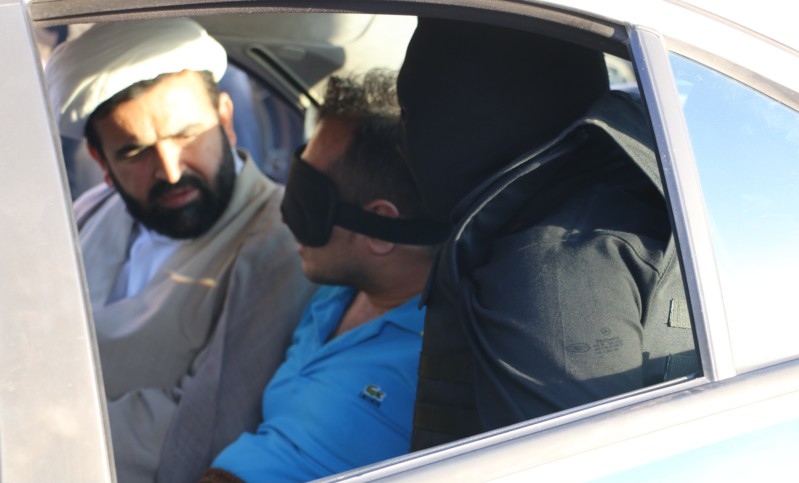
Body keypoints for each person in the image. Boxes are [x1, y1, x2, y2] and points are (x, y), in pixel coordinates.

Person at [396, 18, 698, 449]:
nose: (403, 138)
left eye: (410, 113)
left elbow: (584, 466)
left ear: (470, 114)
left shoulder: (551, 268)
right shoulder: (617, 197)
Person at [45, 18, 316, 483]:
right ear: (101, 163)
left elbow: (197, 427)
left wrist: (33, 425)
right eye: (135, 152)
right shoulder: (93, 210)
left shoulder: (281, 244)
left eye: (187, 134)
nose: (170, 171)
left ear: (226, 121)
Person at [199, 70, 449, 483]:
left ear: (379, 229)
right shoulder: (329, 300)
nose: (285, 218)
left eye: (307, 203)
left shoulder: (440, 360)